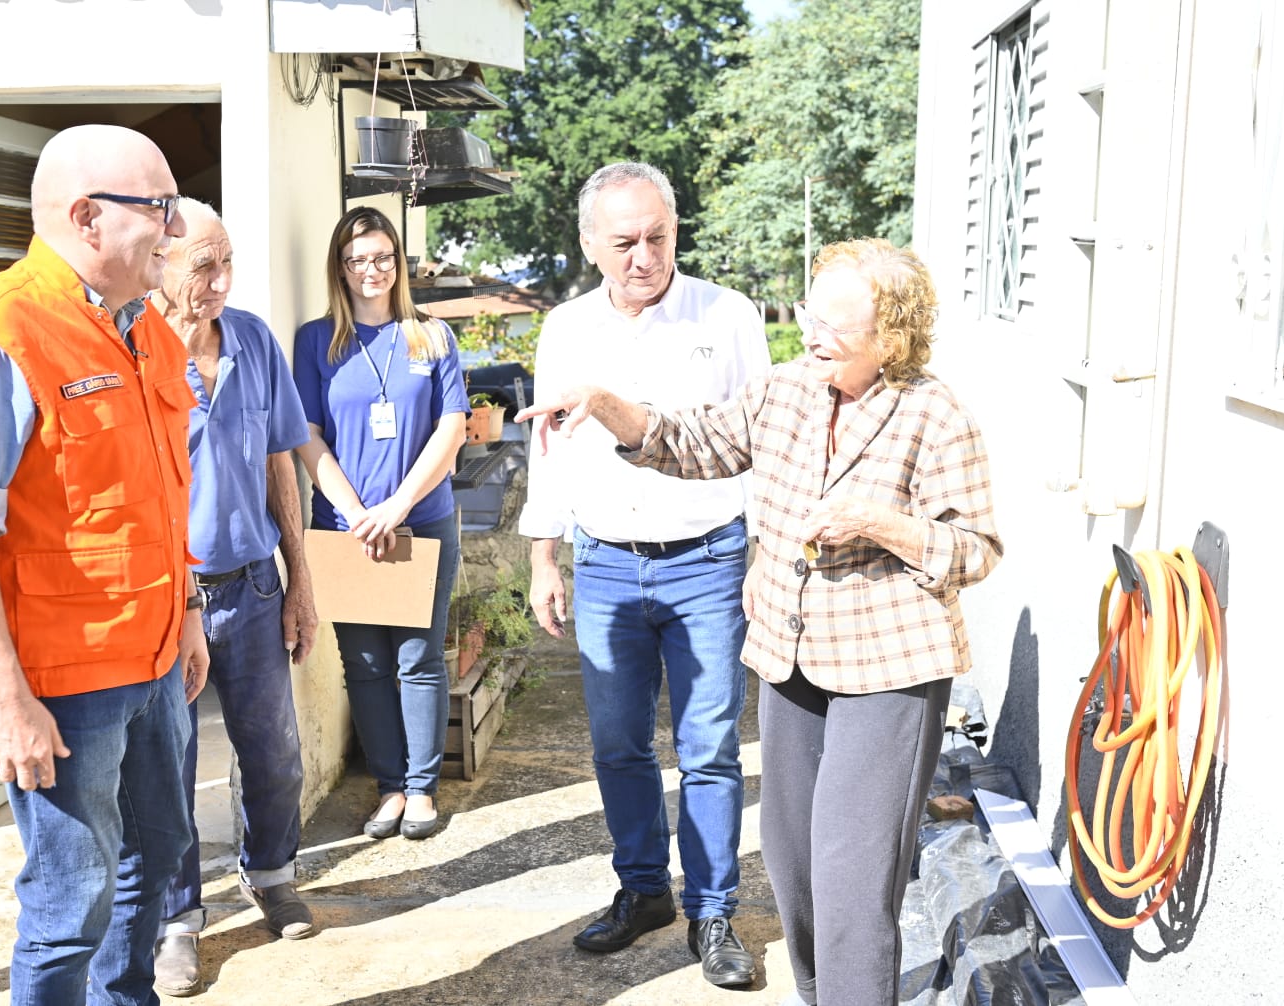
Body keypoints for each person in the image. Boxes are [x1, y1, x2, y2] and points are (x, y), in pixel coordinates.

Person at [519, 237, 1004, 1005]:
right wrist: (611, 406)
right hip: (789, 653)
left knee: (852, 867)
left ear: (892, 336)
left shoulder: (933, 415)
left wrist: (884, 524)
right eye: (812, 316)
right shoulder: (785, 391)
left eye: (836, 329)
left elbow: (976, 550)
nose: (813, 337)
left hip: (890, 666)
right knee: (794, 859)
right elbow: (694, 444)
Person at [0, 124, 205, 1003]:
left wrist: (187, 613)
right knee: (69, 900)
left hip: (152, 662)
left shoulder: (144, 330)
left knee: (156, 857)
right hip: (62, 686)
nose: (177, 228)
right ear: (86, 218)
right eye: (161, 208)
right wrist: (7, 700)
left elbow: (161, 495)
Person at [516, 161, 771, 989]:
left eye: (657, 236)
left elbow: (763, 441)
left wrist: (762, 556)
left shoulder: (726, 316)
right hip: (606, 569)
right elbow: (547, 446)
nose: (643, 255)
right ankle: (643, 892)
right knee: (619, 746)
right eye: (624, 241)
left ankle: (714, 912)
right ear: (591, 244)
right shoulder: (565, 329)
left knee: (708, 749)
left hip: (707, 559)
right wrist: (542, 557)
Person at [148, 199, 320, 996]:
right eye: (202, 268)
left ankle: (271, 873)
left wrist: (300, 581)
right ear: (158, 265)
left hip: (252, 586)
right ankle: (177, 921)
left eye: (227, 265)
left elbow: (281, 461)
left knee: (274, 753)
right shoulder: (133, 346)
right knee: (167, 770)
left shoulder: (252, 337)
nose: (219, 284)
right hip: (162, 600)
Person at [292, 206, 468, 842]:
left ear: (400, 263)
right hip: (344, 526)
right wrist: (357, 512)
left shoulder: (431, 337)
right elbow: (307, 435)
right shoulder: (317, 342)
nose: (373, 270)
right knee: (363, 661)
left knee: (419, 657)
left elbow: (452, 429)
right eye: (358, 259)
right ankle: (390, 788)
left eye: (383, 257)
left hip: (420, 519)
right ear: (340, 269)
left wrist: (395, 507)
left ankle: (423, 790)